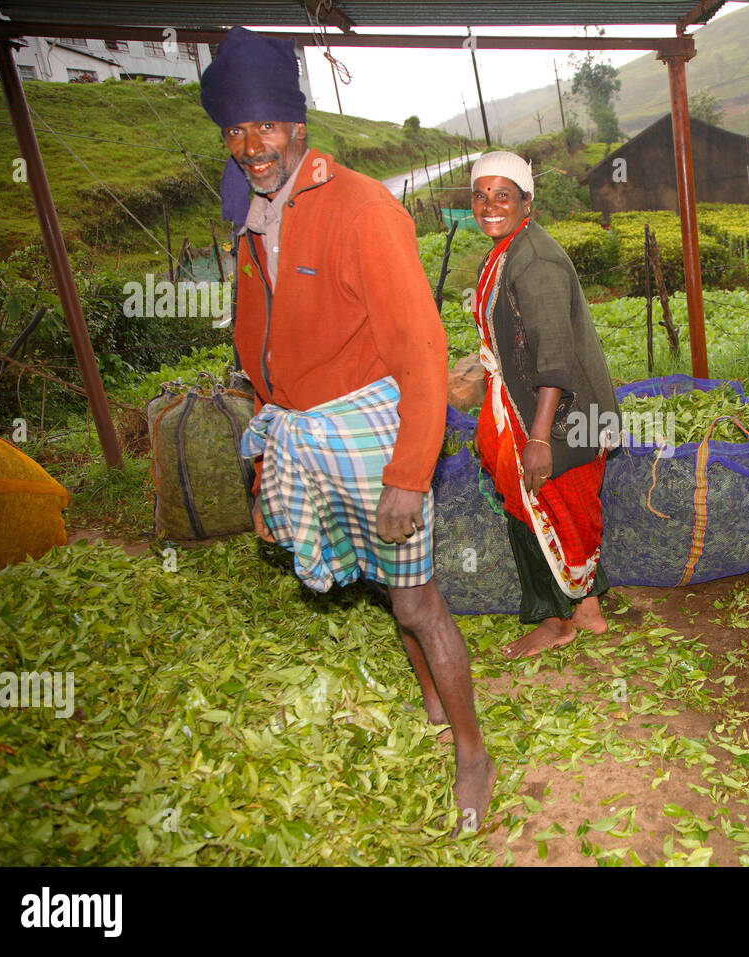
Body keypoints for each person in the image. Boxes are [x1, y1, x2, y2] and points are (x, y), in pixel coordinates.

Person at [200, 27, 493, 829]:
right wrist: (268, 464)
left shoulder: (363, 209)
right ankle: (431, 700)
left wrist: (407, 474)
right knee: (373, 580)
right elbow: (257, 358)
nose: (250, 145)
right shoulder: (253, 219)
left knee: (416, 603)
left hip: (372, 433)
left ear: (298, 123)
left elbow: (423, 352)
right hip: (302, 433)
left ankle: (473, 750)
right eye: (234, 130)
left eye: (263, 125)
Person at [469, 151, 619, 659]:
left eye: (503, 195)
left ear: (526, 201)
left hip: (559, 418)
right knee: (559, 512)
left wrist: (537, 440)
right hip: (540, 410)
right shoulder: (509, 249)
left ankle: (556, 622)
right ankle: (588, 611)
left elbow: (554, 358)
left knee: (542, 510)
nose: (490, 205)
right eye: (481, 195)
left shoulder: (534, 260)